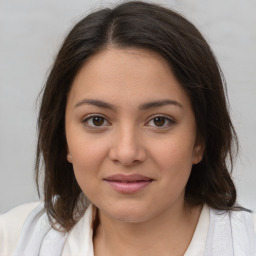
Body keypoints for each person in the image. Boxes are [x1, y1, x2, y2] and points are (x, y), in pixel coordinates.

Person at [0, 1, 255, 255]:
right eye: (96, 120)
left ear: (200, 139)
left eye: (159, 121)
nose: (126, 152)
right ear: (64, 138)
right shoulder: (12, 240)